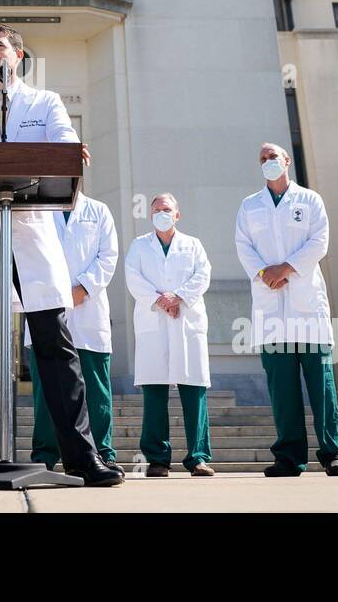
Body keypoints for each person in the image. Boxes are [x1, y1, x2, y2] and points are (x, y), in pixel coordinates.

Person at [0, 24, 121, 486]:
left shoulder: (45, 102)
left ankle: (80, 455)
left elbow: (61, 140)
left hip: (31, 235)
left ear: (18, 54)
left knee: (56, 346)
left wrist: (70, 150)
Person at [234, 142, 338, 477]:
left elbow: (319, 242)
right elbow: (243, 247)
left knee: (322, 386)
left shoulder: (310, 200)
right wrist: (263, 273)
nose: (268, 162)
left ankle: (333, 454)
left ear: (286, 161)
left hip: (307, 307)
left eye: (273, 157)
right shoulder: (249, 206)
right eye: (262, 159)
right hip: (270, 308)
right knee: (282, 390)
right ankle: (289, 457)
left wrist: (284, 268)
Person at [25, 186, 121, 475]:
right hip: (49, 307)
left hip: (88, 310)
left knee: (95, 389)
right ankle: (45, 454)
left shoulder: (99, 211)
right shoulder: (38, 211)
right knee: (46, 390)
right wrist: (57, 293)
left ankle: (102, 452)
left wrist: (85, 288)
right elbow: (29, 255)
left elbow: (109, 255)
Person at [125, 193, 214, 477]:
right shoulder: (139, 246)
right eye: (156, 210)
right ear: (150, 215)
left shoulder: (193, 245)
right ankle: (157, 460)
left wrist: (178, 298)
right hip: (154, 320)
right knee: (154, 393)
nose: (161, 213)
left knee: (194, 390)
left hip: (186, 321)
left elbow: (202, 275)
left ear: (177, 215)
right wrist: (162, 301)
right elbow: (133, 278)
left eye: (166, 209)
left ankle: (198, 457)